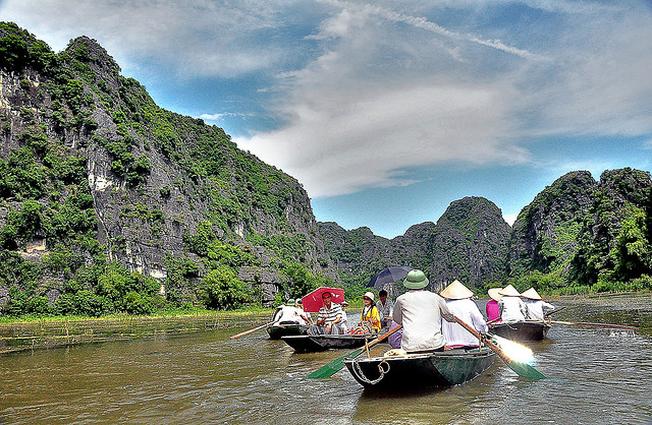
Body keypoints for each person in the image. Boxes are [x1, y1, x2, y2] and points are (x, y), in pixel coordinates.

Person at [392, 269, 455, 352]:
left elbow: (397, 319)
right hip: (435, 344)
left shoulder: (401, 299)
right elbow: (448, 316)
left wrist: (408, 322)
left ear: (407, 284)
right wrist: (454, 319)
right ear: (424, 283)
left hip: (410, 346)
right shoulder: (436, 297)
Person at [439, 280, 488, 348]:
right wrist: (484, 332)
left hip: (449, 346)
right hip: (471, 343)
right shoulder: (469, 303)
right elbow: (481, 323)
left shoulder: (443, 305)